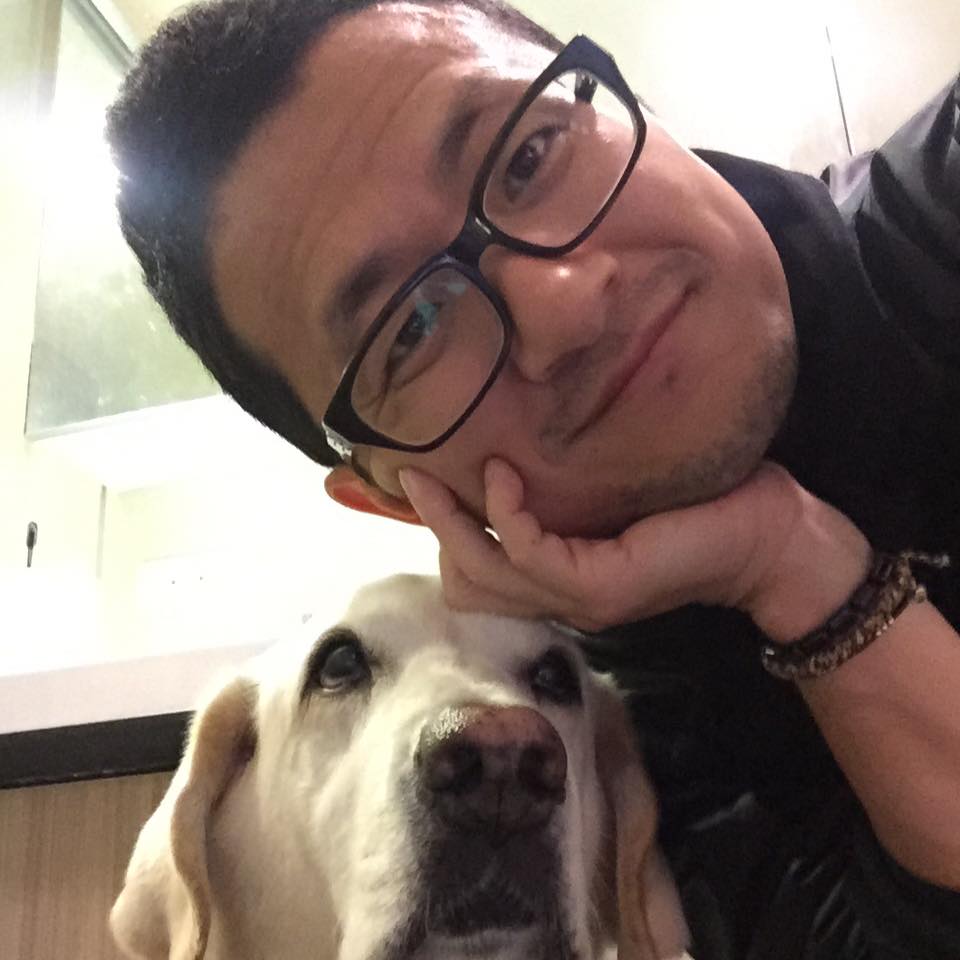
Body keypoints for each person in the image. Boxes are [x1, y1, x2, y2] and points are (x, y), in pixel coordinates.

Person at [106, 0, 960, 955]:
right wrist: (792, 562)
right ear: (395, 499)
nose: (565, 308)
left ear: (636, 102)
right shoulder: (657, 767)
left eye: (528, 157)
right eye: (411, 329)